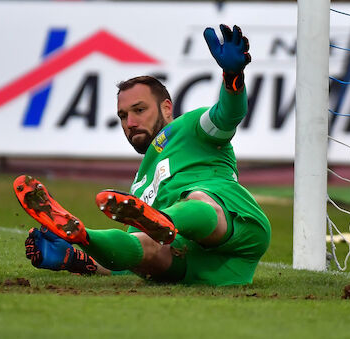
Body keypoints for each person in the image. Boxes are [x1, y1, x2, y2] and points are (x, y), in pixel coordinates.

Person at [15, 24, 271, 286]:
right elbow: (128, 263)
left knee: (198, 198)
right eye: (123, 116)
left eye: (139, 110)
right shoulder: (140, 186)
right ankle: (83, 236)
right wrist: (75, 260)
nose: (130, 122)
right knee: (145, 248)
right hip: (193, 265)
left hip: (236, 228)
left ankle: (167, 221)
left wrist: (233, 75)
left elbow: (229, 114)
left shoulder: (191, 127)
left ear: (167, 108)